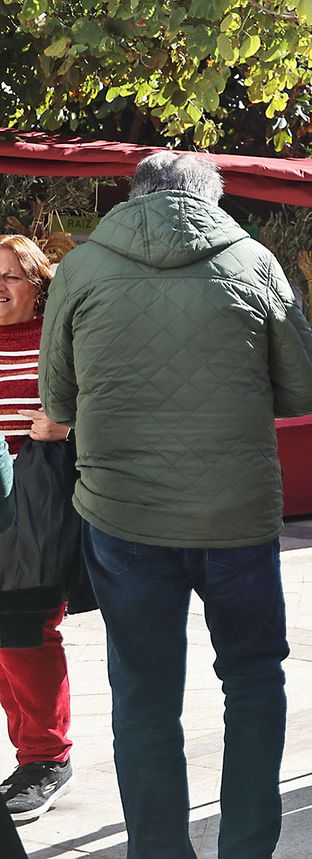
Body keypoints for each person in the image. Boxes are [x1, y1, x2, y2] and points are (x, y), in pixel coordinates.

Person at [40, 152, 312, 858]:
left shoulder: (80, 268)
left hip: (123, 516)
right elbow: (305, 392)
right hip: (236, 514)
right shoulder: (254, 261)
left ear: (136, 195)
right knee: (254, 678)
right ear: (212, 199)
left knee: (143, 693)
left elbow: (57, 402)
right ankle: (247, 848)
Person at [0, 236, 75, 824]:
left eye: (10, 276)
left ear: (38, 284)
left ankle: (46, 757)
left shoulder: (60, 338)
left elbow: (103, 395)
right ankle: (30, 755)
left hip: (35, 488)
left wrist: (66, 426)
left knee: (27, 627)